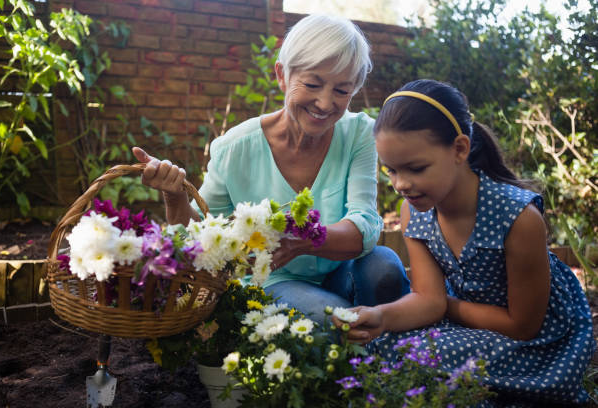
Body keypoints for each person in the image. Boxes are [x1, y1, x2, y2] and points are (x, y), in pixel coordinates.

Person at [132, 14, 410, 324]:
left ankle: (385, 352)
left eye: (342, 91)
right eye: (313, 84)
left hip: (342, 271)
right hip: (275, 282)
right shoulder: (234, 148)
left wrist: (305, 238)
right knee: (328, 320)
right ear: (282, 75)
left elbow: (366, 228)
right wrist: (175, 198)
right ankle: (364, 351)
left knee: (384, 267)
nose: (325, 102)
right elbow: (203, 237)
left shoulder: (359, 133)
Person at [339, 79, 595, 405]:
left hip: (535, 344)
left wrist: (444, 306)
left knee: (425, 358)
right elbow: (427, 300)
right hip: (468, 325)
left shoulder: (518, 218)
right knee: (386, 345)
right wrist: (381, 316)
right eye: (391, 170)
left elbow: (522, 326)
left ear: (459, 149)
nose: (401, 184)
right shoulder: (414, 213)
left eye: (416, 168)